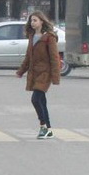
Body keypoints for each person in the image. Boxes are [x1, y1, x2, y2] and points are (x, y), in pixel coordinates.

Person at [16, 10, 61, 139]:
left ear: (42, 21)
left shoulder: (49, 37)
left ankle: (43, 126)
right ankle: (48, 129)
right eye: (31, 20)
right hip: (34, 72)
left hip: (45, 73)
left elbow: (54, 58)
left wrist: (55, 77)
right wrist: (21, 71)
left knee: (35, 99)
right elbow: (28, 56)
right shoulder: (31, 36)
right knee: (41, 101)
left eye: (35, 20)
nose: (32, 23)